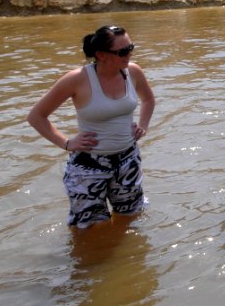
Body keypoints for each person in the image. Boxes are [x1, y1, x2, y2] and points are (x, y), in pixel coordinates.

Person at [26, 25, 155, 228]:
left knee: (131, 220)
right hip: (89, 166)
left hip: (128, 160)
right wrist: (66, 143)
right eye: (123, 51)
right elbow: (36, 116)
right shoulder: (77, 79)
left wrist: (143, 126)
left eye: (131, 47)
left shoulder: (133, 71)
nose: (129, 54)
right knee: (89, 228)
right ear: (101, 55)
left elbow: (148, 99)